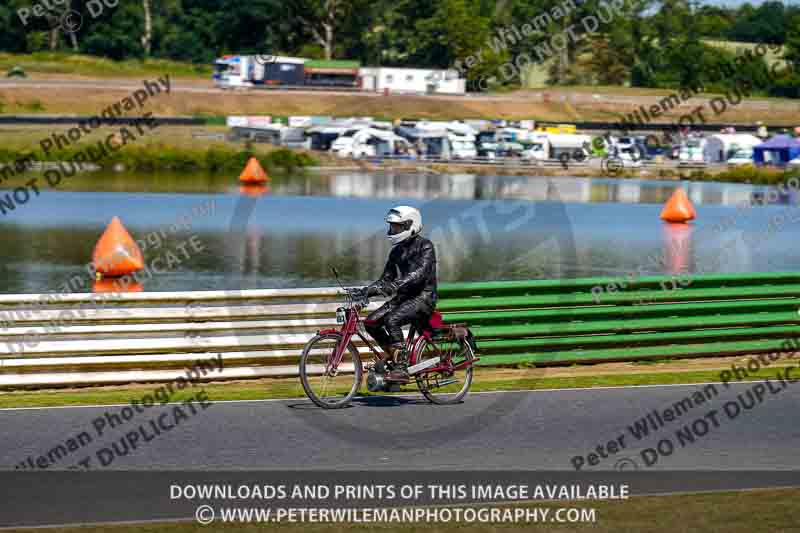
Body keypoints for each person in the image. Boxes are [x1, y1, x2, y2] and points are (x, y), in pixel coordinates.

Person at [356, 206, 437, 381]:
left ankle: (401, 367)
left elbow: (419, 273)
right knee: (371, 322)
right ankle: (394, 355)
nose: (393, 230)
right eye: (393, 227)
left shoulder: (425, 246)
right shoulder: (397, 251)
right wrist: (366, 291)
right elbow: (385, 278)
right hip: (404, 297)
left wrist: (395, 285)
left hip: (423, 297)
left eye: (398, 227)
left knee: (391, 320)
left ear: (411, 225)